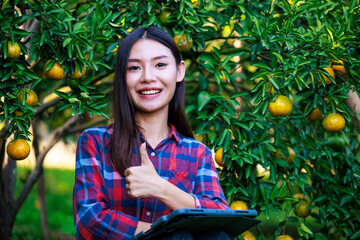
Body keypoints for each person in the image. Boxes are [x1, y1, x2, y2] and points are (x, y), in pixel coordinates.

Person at [73, 26, 230, 240]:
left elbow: (221, 217)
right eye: (134, 68)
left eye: (160, 65)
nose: (148, 77)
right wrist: (166, 231)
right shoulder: (96, 142)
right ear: (123, 76)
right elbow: (89, 221)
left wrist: (161, 189)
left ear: (179, 71)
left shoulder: (197, 153)